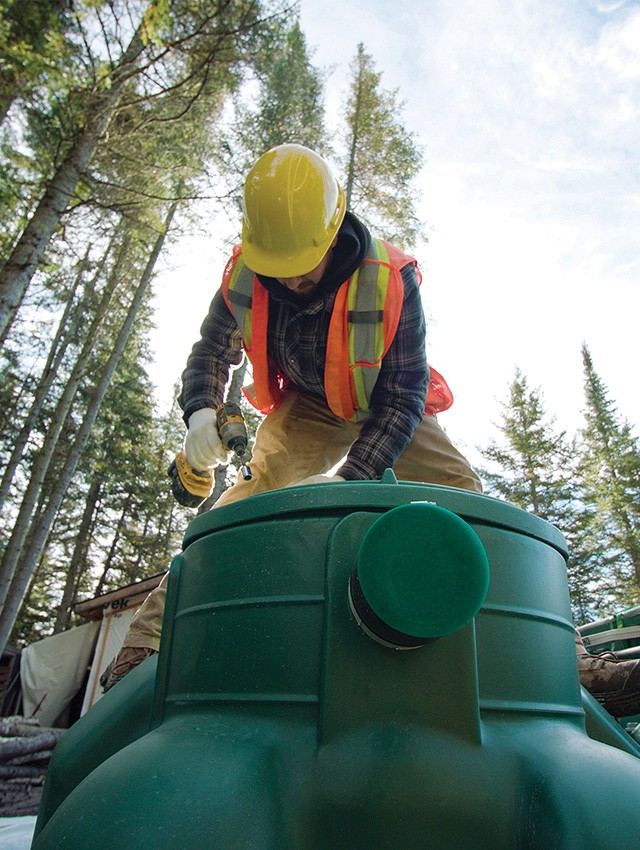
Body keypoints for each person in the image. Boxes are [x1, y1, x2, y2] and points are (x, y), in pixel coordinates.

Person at [101, 144, 640, 722]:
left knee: (467, 502)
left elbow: (404, 395)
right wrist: (200, 411)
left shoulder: (391, 278)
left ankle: (573, 664)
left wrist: (354, 484)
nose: (293, 278)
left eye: (302, 262)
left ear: (332, 230)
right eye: (278, 265)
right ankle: (146, 645)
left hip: (389, 402)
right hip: (309, 404)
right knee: (252, 499)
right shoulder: (245, 273)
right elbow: (212, 349)